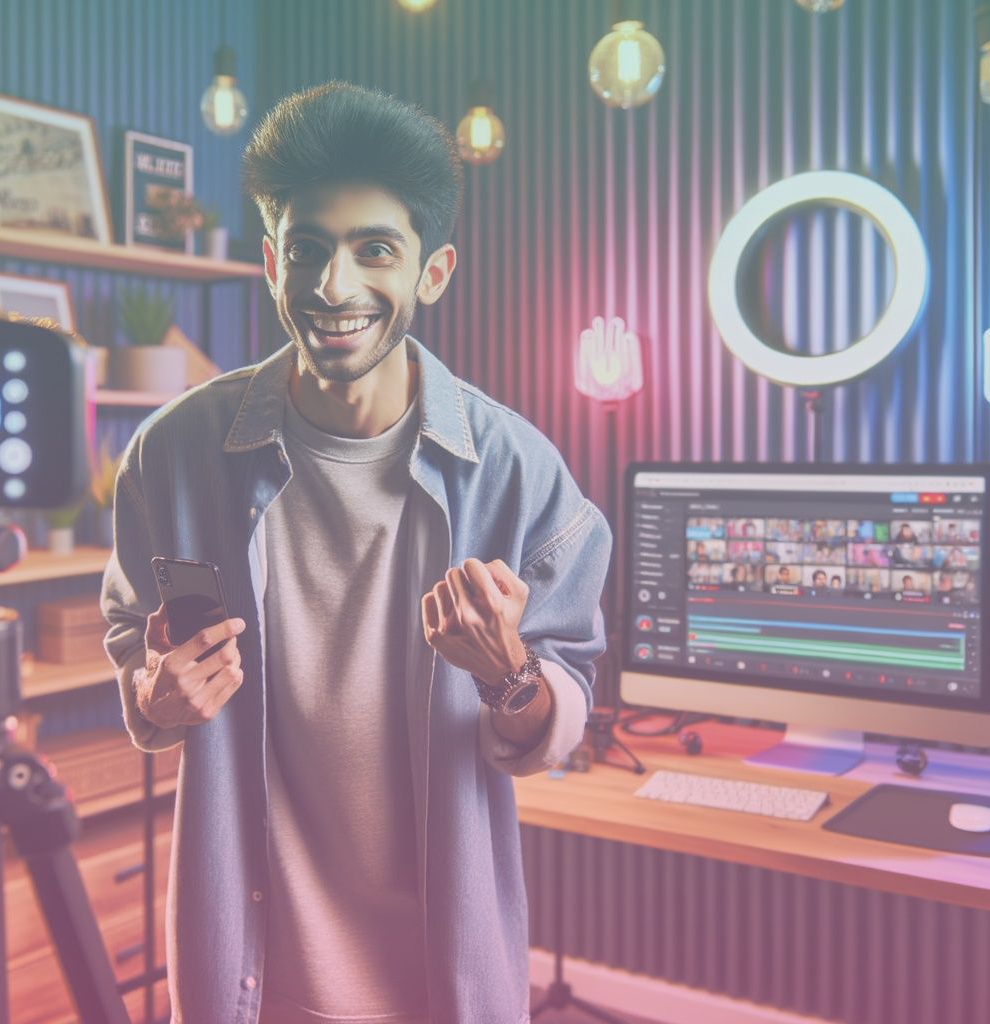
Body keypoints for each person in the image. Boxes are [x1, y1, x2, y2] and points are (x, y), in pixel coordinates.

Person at [100, 84, 609, 1024]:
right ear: (270, 264)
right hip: (245, 973)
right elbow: (134, 640)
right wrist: (153, 696)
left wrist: (508, 674)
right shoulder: (170, 456)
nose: (335, 287)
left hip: (442, 977)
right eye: (307, 250)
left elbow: (558, 708)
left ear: (434, 272)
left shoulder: (520, 472)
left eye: (375, 249)